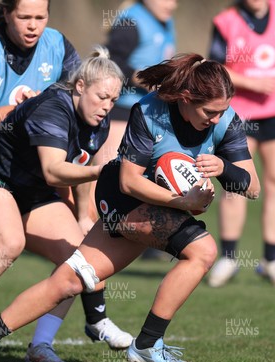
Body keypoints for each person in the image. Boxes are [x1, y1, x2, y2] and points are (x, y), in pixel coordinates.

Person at [0, 53, 260, 362]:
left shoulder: (226, 121)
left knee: (69, 281)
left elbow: (252, 186)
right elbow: (129, 182)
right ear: (186, 98)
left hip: (162, 203)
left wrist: (225, 168)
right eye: (209, 112)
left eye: (222, 111)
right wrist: (183, 201)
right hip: (121, 198)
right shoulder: (150, 112)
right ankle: (148, 343)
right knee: (203, 250)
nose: (216, 119)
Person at [0, 45, 132, 362]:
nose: (107, 107)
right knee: (9, 242)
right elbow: (55, 170)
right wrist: (102, 171)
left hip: (31, 190)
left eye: (113, 100)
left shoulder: (98, 121)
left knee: (80, 260)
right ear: (80, 87)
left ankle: (41, 345)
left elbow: (82, 166)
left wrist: (83, 216)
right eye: (101, 97)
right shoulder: (54, 108)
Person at [207, 0, 275, 288]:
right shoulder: (226, 22)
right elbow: (216, 69)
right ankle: (229, 258)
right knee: (236, 183)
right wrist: (252, 83)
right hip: (240, 112)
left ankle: (272, 260)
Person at [102, 0, 177, 259]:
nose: (173, 4)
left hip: (149, 114)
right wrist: (146, 79)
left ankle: (142, 239)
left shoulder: (165, 22)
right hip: (122, 109)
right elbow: (112, 61)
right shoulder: (130, 21)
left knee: (145, 176)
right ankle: (93, 240)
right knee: (111, 174)